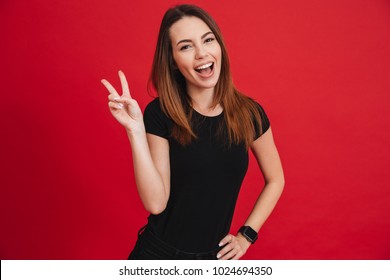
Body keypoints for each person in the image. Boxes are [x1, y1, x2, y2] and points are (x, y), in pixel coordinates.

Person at [101, 4, 284, 260]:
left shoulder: (249, 114)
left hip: (213, 260)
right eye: (186, 46)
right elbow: (156, 203)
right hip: (158, 256)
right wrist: (135, 130)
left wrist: (246, 236)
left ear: (219, 46)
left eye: (208, 40)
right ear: (173, 62)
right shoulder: (160, 113)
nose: (201, 53)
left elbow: (276, 179)